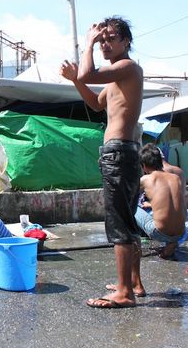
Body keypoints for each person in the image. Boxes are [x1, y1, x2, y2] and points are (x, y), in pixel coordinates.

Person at [60, 16, 143, 309]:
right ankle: (134, 283)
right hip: (124, 152)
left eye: (110, 38)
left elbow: (88, 73)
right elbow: (96, 103)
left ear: (126, 42)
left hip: (119, 152)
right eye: (102, 39)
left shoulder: (128, 67)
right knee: (127, 220)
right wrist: (74, 80)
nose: (105, 43)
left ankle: (124, 292)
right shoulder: (118, 77)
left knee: (119, 223)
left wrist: (89, 42)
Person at [105, 144, 187, 298]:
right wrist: (151, 203)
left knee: (128, 214)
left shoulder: (146, 179)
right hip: (181, 233)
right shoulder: (176, 178)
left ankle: (135, 283)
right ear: (161, 162)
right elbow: (174, 202)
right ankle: (170, 247)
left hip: (158, 231)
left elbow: (128, 200)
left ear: (143, 165)